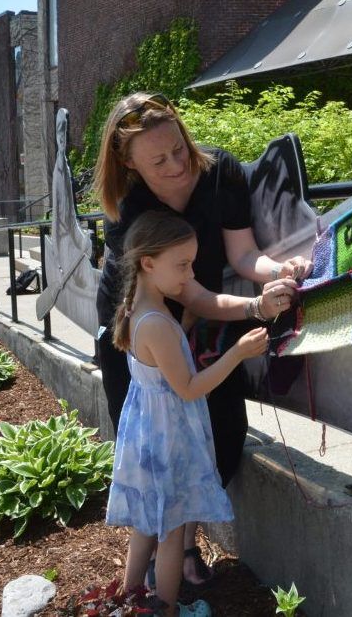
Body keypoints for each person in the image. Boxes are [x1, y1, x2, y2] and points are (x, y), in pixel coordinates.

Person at [94, 92, 311, 580]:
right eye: (157, 159)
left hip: (199, 316)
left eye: (178, 148)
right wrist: (225, 322)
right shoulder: (128, 206)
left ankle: (179, 548)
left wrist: (278, 271)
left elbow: (241, 255)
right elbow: (166, 298)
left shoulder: (221, 173)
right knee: (159, 457)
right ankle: (159, 566)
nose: (175, 165)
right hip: (142, 333)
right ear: (128, 163)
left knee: (217, 440)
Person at [105, 211, 269, 616]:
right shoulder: (157, 323)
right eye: (182, 265)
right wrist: (239, 353)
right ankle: (165, 607)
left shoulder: (138, 309)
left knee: (146, 524)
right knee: (172, 531)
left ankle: (130, 599)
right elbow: (189, 387)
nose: (190, 274)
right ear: (148, 263)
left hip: (149, 436)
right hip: (168, 440)